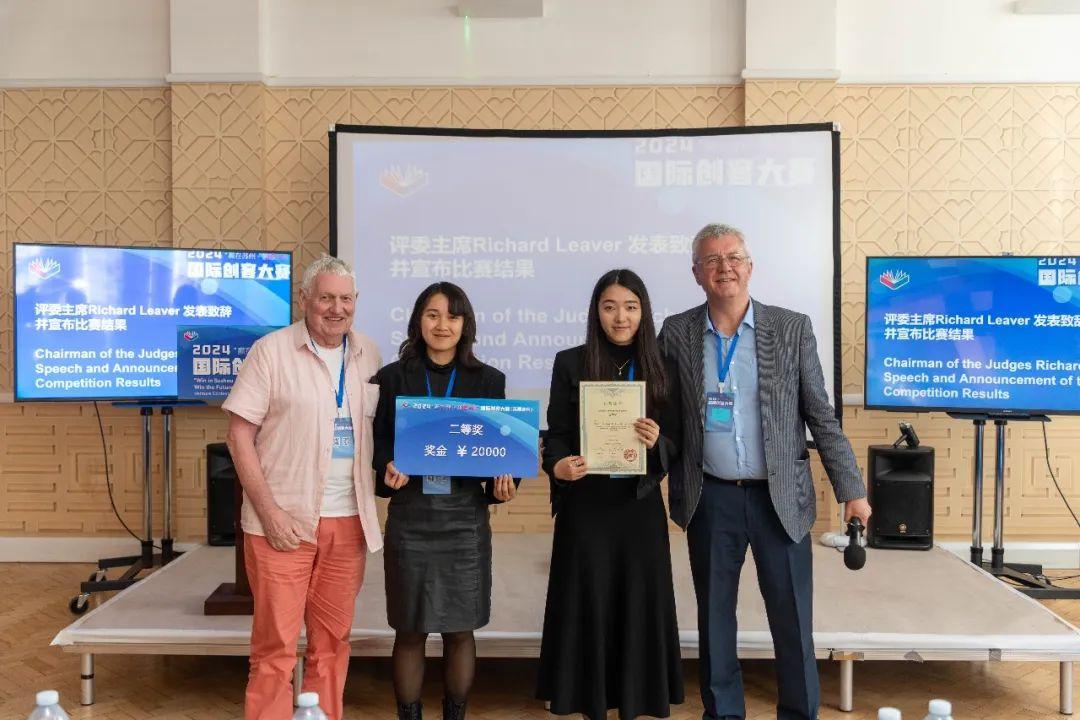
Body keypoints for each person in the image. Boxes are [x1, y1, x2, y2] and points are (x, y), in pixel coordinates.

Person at [658, 223, 872, 720]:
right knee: (715, 620)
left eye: (733, 257)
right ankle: (723, 713)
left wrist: (852, 489)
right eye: (712, 260)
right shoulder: (677, 332)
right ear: (696, 273)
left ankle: (799, 712)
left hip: (781, 497)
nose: (724, 267)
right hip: (711, 496)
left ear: (750, 267)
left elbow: (821, 416)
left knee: (792, 619)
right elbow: (666, 417)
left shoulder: (791, 328)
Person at [223, 255, 383, 720]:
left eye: (346, 298)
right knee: (274, 648)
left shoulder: (368, 353)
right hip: (283, 524)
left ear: (356, 301)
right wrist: (270, 513)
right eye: (326, 298)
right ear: (304, 299)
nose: (337, 308)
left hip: (348, 522)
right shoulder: (270, 352)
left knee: (332, 644)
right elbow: (238, 436)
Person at [537, 268, 684, 720]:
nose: (621, 317)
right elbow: (556, 435)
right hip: (586, 507)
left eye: (631, 307)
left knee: (638, 602)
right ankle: (590, 702)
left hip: (639, 508)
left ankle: (636, 700)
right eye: (610, 306)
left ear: (644, 312)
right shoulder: (571, 362)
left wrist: (657, 441)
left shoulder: (664, 366)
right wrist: (558, 465)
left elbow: (679, 443)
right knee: (588, 603)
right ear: (596, 312)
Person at [373, 282, 519, 720]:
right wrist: (386, 466)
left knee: (460, 630)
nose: (442, 325)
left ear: (465, 324)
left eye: (452, 316)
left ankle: (455, 715)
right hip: (411, 518)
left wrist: (504, 484)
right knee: (410, 630)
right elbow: (377, 445)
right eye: (433, 315)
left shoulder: (488, 380)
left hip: (464, 521)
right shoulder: (391, 378)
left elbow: (502, 454)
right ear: (418, 320)